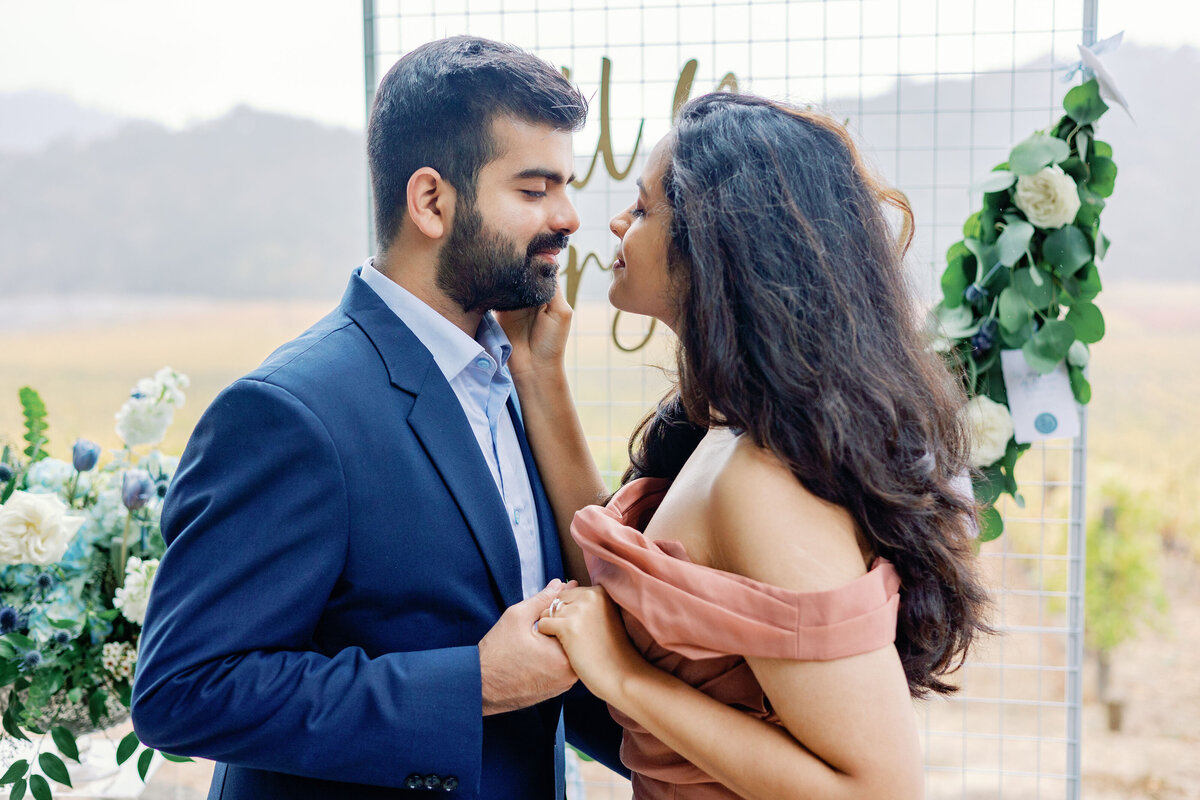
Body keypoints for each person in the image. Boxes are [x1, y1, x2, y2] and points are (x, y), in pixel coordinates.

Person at [130, 36, 625, 800]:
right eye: (534, 189)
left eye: (566, 186)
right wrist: (472, 685)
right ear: (431, 201)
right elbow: (184, 689)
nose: (568, 217)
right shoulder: (287, 413)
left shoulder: (518, 371)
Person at [499, 92, 992, 799]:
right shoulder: (724, 430)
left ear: (715, 245)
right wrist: (540, 374)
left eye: (642, 209)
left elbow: (878, 790)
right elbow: (626, 583)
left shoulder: (764, 482)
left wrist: (626, 679)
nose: (614, 222)